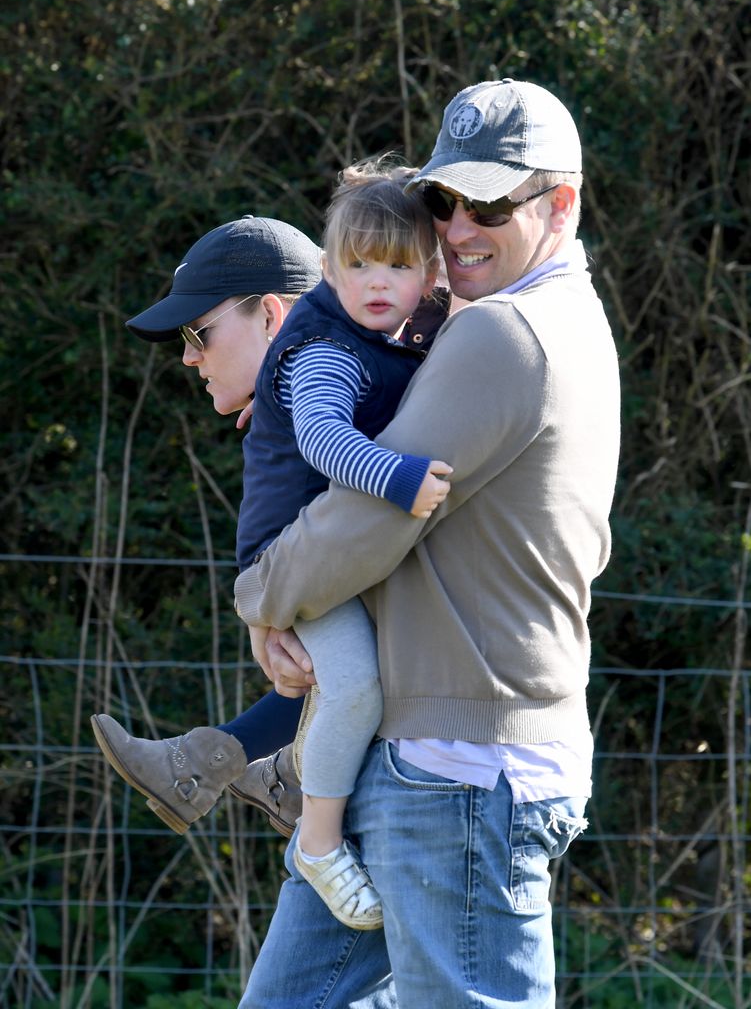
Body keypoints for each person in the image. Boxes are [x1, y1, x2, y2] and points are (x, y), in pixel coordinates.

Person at [232, 78, 621, 1008]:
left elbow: (363, 523)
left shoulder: (503, 335)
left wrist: (260, 598)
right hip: (425, 756)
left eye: (488, 203)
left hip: (460, 775)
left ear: (559, 202)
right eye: (443, 199)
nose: (454, 227)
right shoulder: (569, 318)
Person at [91, 186, 454, 875]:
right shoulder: (304, 404)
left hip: (428, 773)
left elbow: (354, 531)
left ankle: (240, 770)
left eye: (199, 334)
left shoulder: (351, 383)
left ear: (271, 315)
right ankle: (249, 768)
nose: (189, 358)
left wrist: (269, 604)